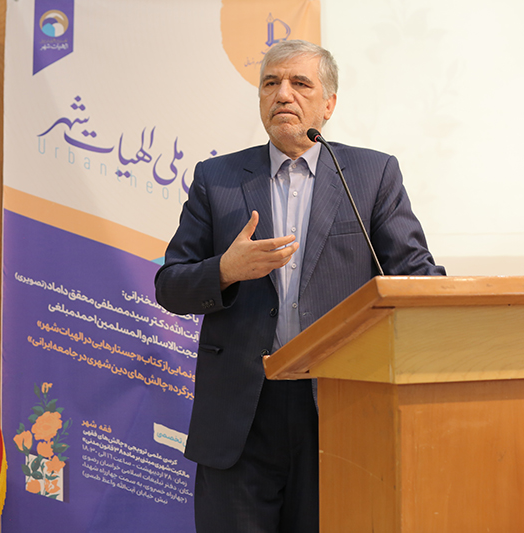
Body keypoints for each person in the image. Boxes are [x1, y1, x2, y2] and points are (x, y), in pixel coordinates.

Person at [154, 39, 445, 533]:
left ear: (329, 104)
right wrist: (224, 270)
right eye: (270, 83)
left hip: (338, 408)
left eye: (299, 83)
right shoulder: (217, 178)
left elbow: (414, 273)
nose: (282, 94)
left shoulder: (371, 175)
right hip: (241, 417)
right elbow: (170, 286)